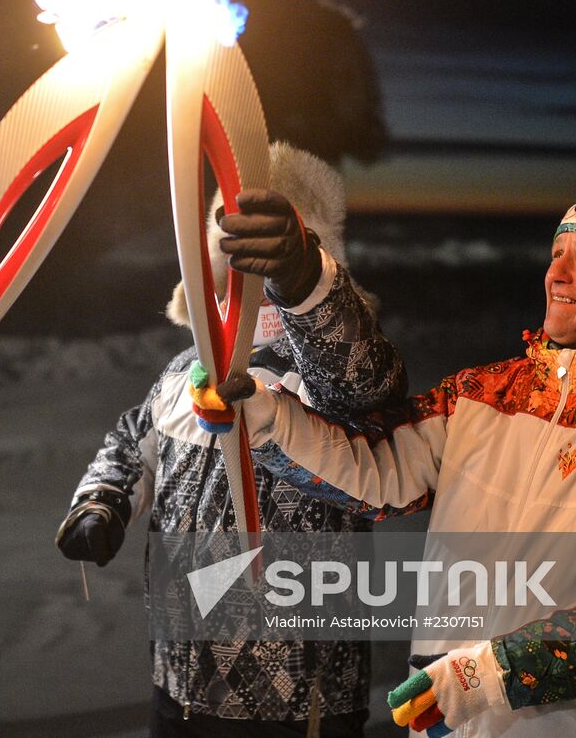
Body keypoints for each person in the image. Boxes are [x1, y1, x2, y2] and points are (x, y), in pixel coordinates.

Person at [216, 188, 576, 736]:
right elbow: (375, 470)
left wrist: (493, 675)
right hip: (449, 720)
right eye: (556, 252)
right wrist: (262, 415)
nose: (556, 273)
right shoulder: (484, 392)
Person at [57, 142, 409, 737]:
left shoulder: (321, 376)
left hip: (296, 701)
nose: (245, 279)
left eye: (267, 260)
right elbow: (133, 439)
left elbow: (367, 381)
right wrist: (104, 498)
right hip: (181, 683)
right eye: (233, 259)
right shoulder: (185, 369)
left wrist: (304, 281)